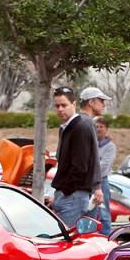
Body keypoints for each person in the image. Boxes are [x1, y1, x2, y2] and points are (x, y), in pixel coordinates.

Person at [51, 86, 102, 228]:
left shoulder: (81, 126)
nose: (60, 109)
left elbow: (80, 166)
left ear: (73, 104)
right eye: (57, 106)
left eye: (64, 105)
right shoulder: (67, 127)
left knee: (67, 244)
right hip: (70, 194)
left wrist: (67, 191)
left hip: (73, 196)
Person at [80, 87, 114, 236]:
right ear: (91, 102)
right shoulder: (86, 124)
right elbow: (91, 161)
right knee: (89, 219)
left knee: (101, 216)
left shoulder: (109, 146)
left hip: (95, 182)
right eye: (101, 101)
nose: (104, 105)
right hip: (91, 184)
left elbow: (101, 165)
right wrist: (96, 186)